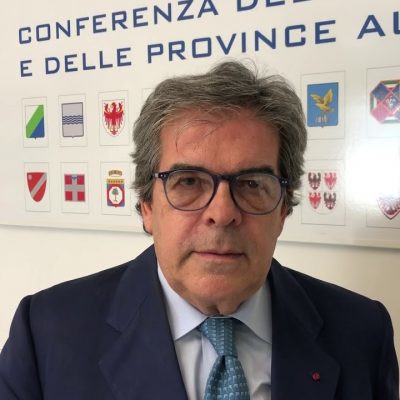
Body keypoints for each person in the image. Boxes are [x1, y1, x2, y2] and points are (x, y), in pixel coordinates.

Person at [0, 61, 398, 400]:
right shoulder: (47, 334)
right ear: (147, 205)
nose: (222, 214)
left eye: (252, 184)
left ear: (283, 209)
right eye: (188, 182)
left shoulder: (363, 332)